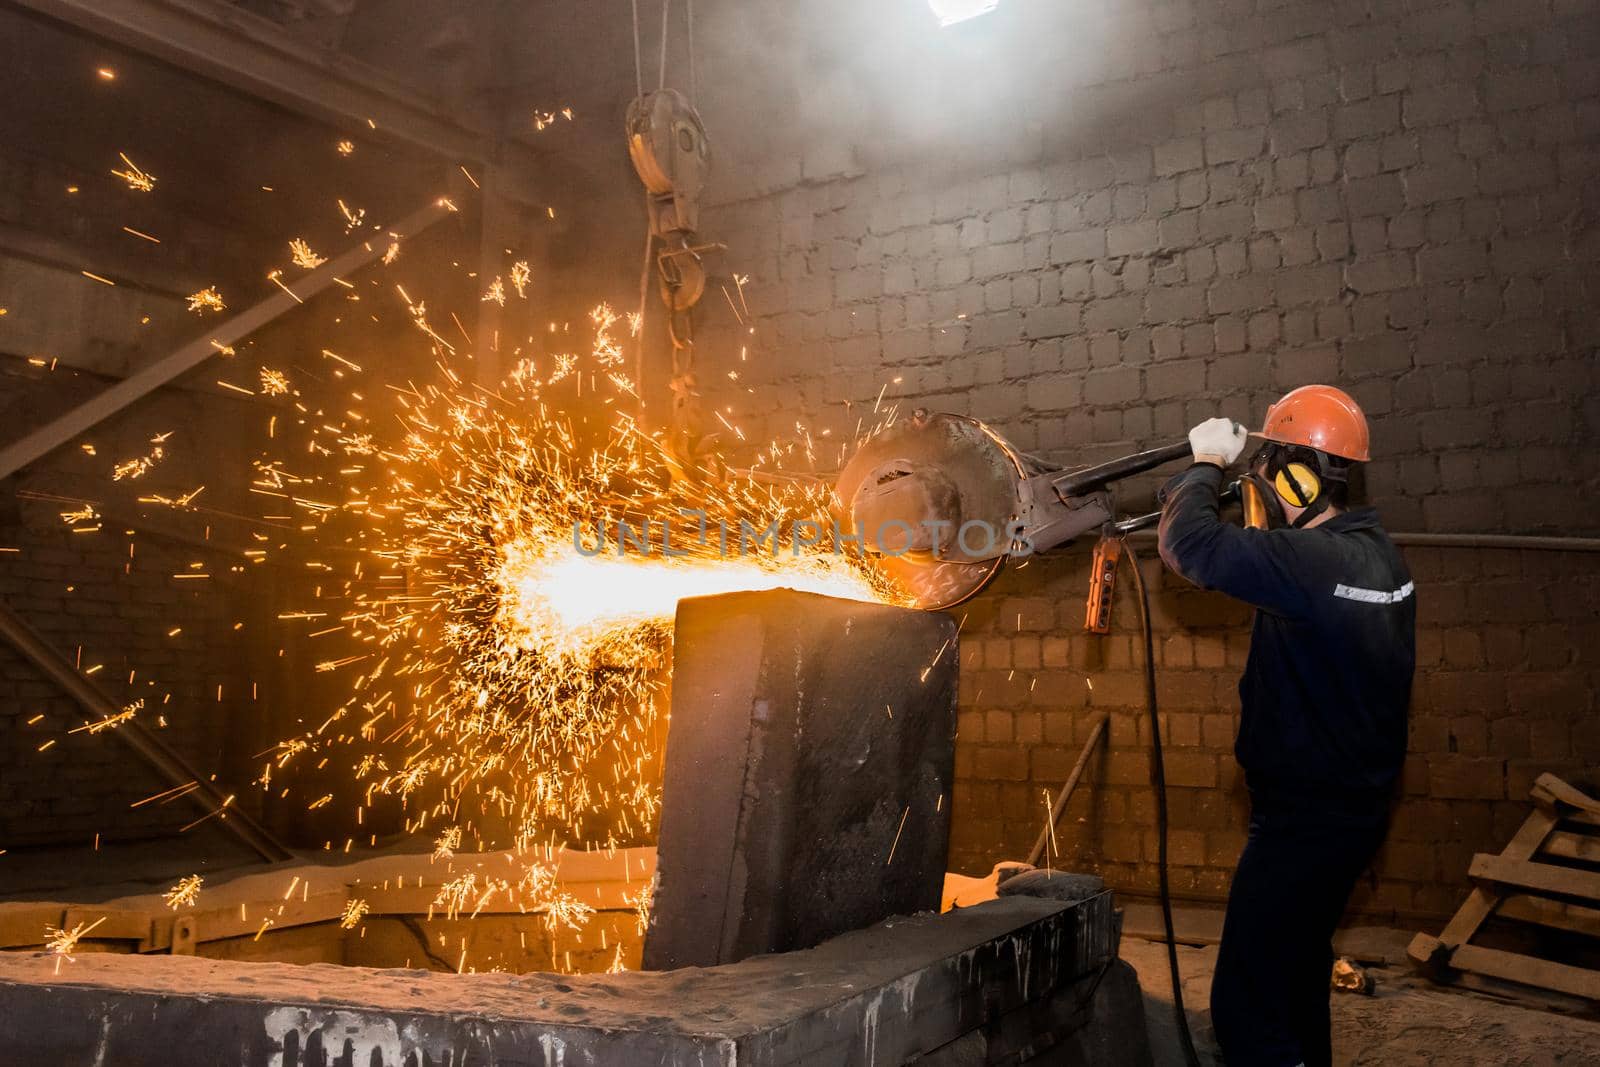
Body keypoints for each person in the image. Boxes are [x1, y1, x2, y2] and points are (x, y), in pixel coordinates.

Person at [1156, 385, 1416, 1067]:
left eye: (1273, 469)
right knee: (1299, 977)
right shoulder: (1380, 559)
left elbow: (1189, 544)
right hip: (1353, 816)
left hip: (1303, 823)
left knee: (1245, 1011)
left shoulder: (1309, 564)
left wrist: (1207, 463)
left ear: (1297, 476)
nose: (1264, 485)